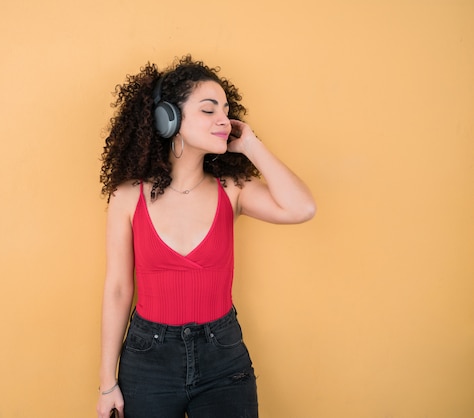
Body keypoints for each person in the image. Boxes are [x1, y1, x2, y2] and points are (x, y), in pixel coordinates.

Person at [96, 55, 316, 418]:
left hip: (223, 357)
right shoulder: (126, 196)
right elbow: (119, 288)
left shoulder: (233, 190)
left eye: (226, 111)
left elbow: (302, 208)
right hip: (148, 359)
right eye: (209, 110)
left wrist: (251, 145)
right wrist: (107, 383)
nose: (223, 120)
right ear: (170, 119)